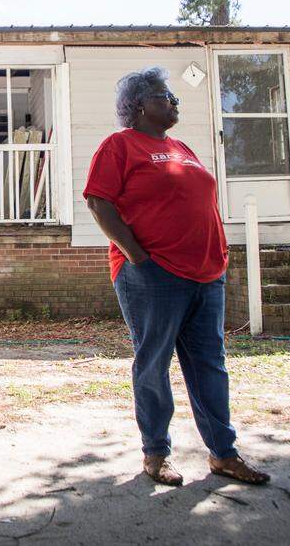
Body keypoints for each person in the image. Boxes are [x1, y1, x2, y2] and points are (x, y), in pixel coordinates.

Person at [83, 66, 270, 487]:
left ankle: (224, 454)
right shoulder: (120, 146)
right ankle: (155, 453)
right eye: (166, 96)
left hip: (206, 273)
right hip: (154, 275)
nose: (174, 102)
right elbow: (99, 202)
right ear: (139, 104)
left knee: (210, 366)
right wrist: (138, 257)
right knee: (154, 364)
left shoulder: (182, 147)